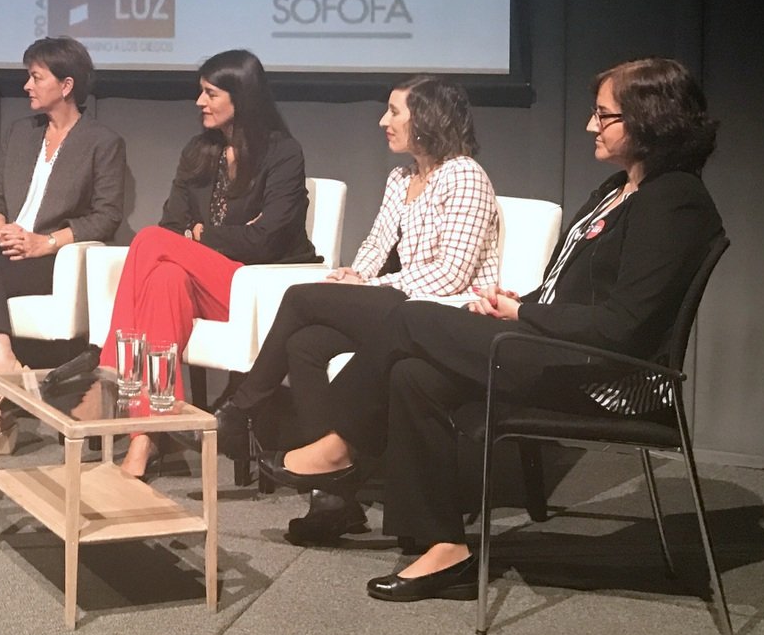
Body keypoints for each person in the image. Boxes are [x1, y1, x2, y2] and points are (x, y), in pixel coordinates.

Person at [260, 58, 722, 603]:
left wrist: (525, 317)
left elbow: (624, 327)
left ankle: (339, 448)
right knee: (413, 372)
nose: (591, 126)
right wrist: (515, 303)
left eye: (604, 115)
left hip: (608, 378)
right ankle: (443, 546)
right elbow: (570, 292)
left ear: (650, 120)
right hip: (559, 347)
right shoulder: (617, 188)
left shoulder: (675, 202)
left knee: (412, 317)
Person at [214, 77, 501, 539]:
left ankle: (245, 405)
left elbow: (451, 275)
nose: (383, 121)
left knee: (301, 297)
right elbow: (376, 244)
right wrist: (356, 275)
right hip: (403, 302)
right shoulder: (401, 178)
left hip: (443, 313)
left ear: (427, 119)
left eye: (394, 112)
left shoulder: (464, 175)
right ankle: (333, 501)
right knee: (306, 344)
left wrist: (376, 285)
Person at [98, 49, 319, 479]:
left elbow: (265, 239)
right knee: (163, 276)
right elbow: (171, 224)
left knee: (147, 242)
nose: (200, 102)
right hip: (202, 281)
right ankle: (147, 436)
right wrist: (194, 238)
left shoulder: (283, 154)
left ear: (243, 98)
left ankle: (113, 367)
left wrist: (202, 236)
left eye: (210, 93)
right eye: (201, 92)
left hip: (252, 288)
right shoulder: (198, 152)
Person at [0, 36, 126, 450]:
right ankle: (3, 356)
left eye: (35, 77)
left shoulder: (102, 141)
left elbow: (106, 215)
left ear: (66, 86)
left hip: (51, 259)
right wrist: (0, 229)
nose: (26, 86)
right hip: (5, 249)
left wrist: (43, 242)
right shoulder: (20, 133)